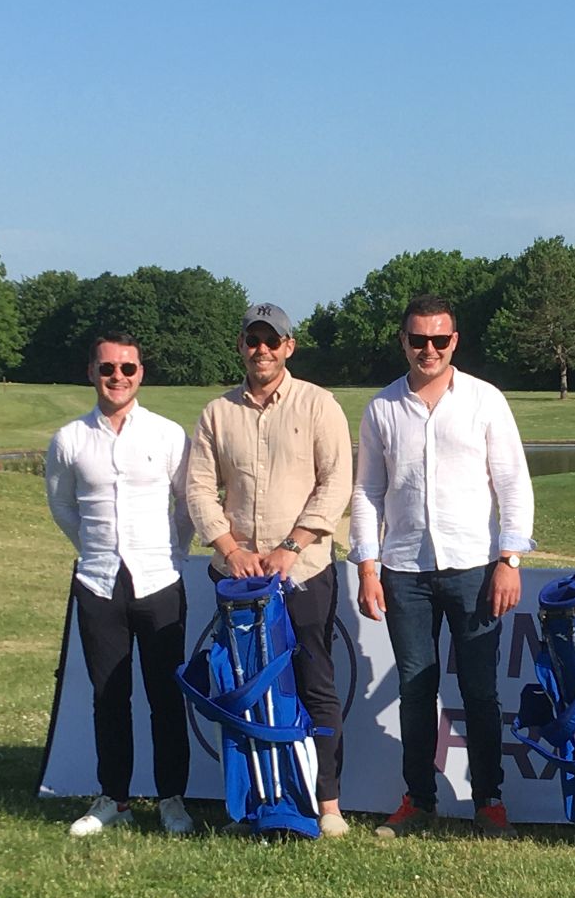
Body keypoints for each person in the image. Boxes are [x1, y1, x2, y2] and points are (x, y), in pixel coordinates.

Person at [350, 293, 535, 839]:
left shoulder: (484, 399)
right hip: (404, 570)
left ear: (454, 341)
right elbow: (367, 491)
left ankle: (489, 801)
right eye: (418, 339)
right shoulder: (382, 408)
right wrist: (366, 564)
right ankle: (419, 800)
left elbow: (512, 482)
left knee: (479, 691)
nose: (428, 349)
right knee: (415, 689)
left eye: (439, 339)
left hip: (475, 566)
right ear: (403, 341)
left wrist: (510, 558)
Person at [185, 303, 354, 837]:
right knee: (244, 688)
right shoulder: (217, 413)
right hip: (238, 579)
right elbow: (198, 489)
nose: (262, 349)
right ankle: (257, 802)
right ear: (241, 346)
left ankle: (327, 804)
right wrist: (230, 549)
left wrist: (290, 546)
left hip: (303, 571)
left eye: (271, 340)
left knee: (315, 683)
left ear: (288, 346)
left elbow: (336, 482)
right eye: (253, 340)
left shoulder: (318, 404)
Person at [45, 333, 195, 838]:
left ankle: (172, 798)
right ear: (92, 372)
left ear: (140, 373)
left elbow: (187, 503)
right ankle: (114, 798)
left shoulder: (167, 434)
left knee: (165, 696)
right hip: (98, 584)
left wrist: (173, 552)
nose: (117, 377)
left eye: (127, 368)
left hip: (159, 581)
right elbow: (62, 506)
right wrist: (94, 548)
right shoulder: (69, 439)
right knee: (109, 696)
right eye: (107, 367)